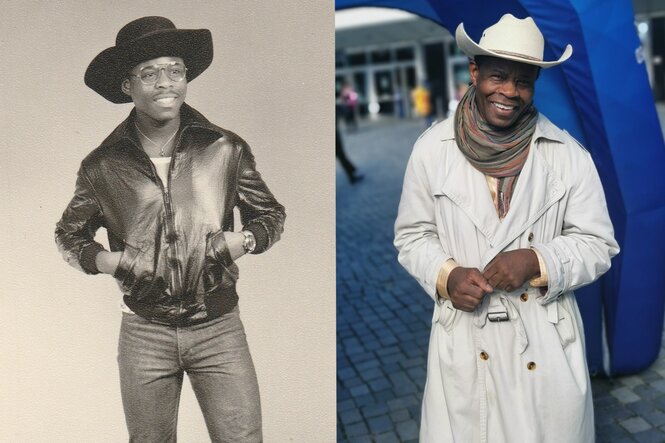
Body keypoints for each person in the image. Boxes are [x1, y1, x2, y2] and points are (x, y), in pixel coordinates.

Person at [55, 16, 285, 442]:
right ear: (127, 86)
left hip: (219, 327)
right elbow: (69, 235)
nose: (166, 83)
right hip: (143, 333)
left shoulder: (225, 148)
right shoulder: (102, 166)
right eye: (150, 72)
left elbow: (270, 213)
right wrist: (110, 260)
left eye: (175, 70)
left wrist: (245, 240)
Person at [394, 14, 619, 442]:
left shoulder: (568, 155)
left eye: (523, 81)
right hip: (464, 338)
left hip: (545, 345)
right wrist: (446, 275)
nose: (509, 92)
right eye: (498, 76)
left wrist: (538, 260)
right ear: (474, 72)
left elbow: (598, 244)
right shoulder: (431, 151)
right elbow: (412, 235)